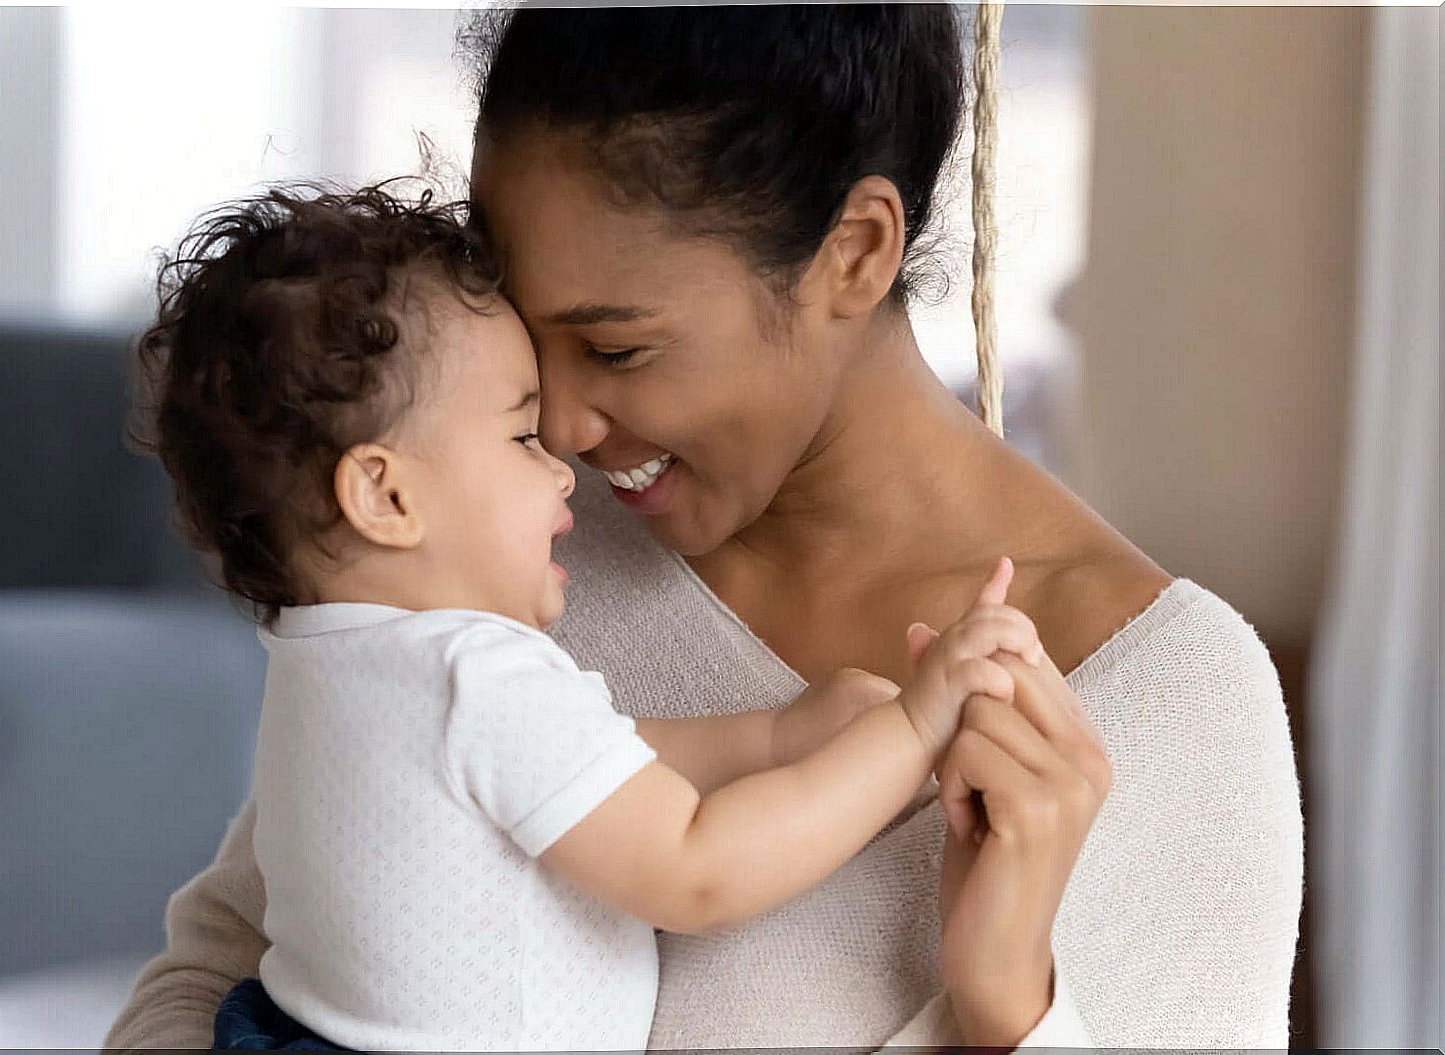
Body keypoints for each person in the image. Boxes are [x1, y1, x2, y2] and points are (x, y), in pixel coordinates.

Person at [107, 6, 1303, 1049]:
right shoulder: (484, 553)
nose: (565, 426)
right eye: (528, 351)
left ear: (856, 252)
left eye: (617, 348)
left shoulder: (1168, 698)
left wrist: (1010, 1013)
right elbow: (219, 967)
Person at [130, 182, 1048, 1051]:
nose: (564, 461)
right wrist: (913, 728)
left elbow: (591, 760)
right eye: (522, 434)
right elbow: (698, 867)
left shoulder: (329, 665)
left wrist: (781, 734)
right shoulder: (472, 673)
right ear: (384, 492)